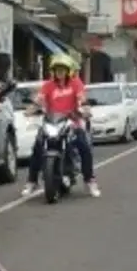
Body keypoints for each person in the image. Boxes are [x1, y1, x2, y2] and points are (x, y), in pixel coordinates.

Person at [21, 54, 98, 198]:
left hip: (71, 122)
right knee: (38, 146)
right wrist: (31, 109)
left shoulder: (76, 84)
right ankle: (31, 181)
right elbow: (39, 99)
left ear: (68, 71)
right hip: (52, 122)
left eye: (63, 70)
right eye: (57, 70)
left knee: (84, 146)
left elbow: (82, 98)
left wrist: (85, 109)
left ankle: (90, 180)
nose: (60, 73)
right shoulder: (48, 85)